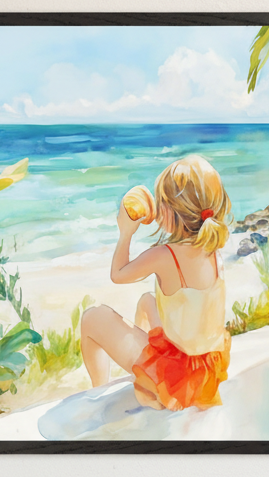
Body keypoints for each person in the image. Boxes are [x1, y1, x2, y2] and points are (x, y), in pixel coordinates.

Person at [79, 155, 232, 410]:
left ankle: (99, 390)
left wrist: (126, 231)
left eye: (162, 203)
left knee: (93, 317)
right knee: (147, 301)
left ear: (172, 211)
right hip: (205, 372)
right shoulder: (214, 250)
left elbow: (118, 274)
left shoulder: (164, 255)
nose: (157, 207)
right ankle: (139, 373)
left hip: (175, 380)